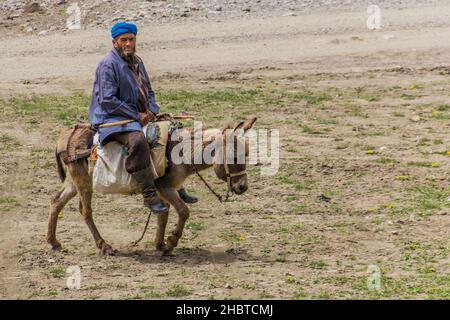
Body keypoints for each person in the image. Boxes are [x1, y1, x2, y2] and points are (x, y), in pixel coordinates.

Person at [89, 22, 197, 214]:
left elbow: (149, 91)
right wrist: (136, 116)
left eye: (131, 39)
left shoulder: (137, 61)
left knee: (173, 133)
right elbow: (107, 100)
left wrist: (152, 111)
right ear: (115, 42)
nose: (128, 43)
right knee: (138, 141)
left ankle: (177, 186)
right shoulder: (108, 65)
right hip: (113, 119)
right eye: (124, 40)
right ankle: (149, 194)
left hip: (139, 116)